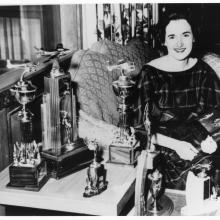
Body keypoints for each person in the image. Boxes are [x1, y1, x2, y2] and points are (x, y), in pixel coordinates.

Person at [133, 12, 220, 190]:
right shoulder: (150, 74)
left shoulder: (203, 71)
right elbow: (140, 129)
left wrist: (213, 137)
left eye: (185, 35)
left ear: (194, 37)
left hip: (200, 140)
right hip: (164, 146)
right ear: (163, 41)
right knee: (200, 172)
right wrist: (177, 145)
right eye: (172, 37)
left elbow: (215, 116)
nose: (179, 43)